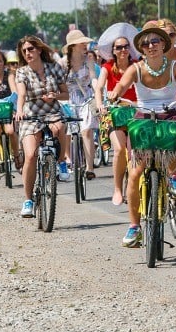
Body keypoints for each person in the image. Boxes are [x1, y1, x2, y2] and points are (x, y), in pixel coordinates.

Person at [108, 23, 176, 247]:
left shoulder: (175, 66)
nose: (151, 46)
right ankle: (134, 227)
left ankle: (175, 177)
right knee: (135, 173)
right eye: (145, 43)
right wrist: (115, 94)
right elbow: (122, 85)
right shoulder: (136, 69)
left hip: (168, 114)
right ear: (140, 48)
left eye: (155, 41)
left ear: (163, 45)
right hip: (143, 118)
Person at [15, 35, 70, 217]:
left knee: (60, 127)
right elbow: (21, 94)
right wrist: (19, 110)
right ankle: (28, 200)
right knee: (30, 155)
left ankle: (61, 163)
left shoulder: (54, 67)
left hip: (52, 111)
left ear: (39, 50)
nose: (28, 53)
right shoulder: (22, 72)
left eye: (31, 49)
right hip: (31, 114)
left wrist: (55, 95)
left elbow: (66, 94)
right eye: (24, 51)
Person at [95, 32, 137, 206]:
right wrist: (100, 105)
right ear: (113, 51)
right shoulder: (108, 66)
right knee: (119, 149)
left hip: (135, 111)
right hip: (114, 112)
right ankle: (118, 188)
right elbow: (98, 88)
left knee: (135, 150)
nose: (123, 50)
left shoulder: (136, 65)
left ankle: (135, 185)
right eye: (119, 47)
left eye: (126, 46)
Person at [61, 30, 98, 181]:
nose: (85, 45)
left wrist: (98, 93)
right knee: (66, 130)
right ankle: (66, 158)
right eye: (82, 43)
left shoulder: (88, 59)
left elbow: (94, 79)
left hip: (86, 98)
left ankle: (89, 167)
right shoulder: (63, 63)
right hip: (68, 99)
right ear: (73, 46)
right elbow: (58, 83)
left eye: (85, 42)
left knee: (87, 130)